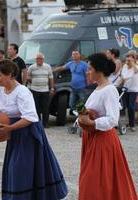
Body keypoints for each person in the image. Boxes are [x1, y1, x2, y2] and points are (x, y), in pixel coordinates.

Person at [0, 59, 68, 200]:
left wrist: (10, 127)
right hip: (14, 134)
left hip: (28, 133)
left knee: (20, 168)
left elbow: (31, 117)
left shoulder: (22, 92)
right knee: (13, 167)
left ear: (9, 74)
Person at [78, 52, 138, 200]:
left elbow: (112, 119)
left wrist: (92, 123)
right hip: (92, 139)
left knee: (97, 181)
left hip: (102, 140)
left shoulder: (109, 90)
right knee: (92, 180)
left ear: (98, 70)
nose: (87, 72)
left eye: (90, 68)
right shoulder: (97, 89)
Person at [54, 50, 88, 115]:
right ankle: (76, 114)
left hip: (82, 88)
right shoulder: (70, 63)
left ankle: (82, 117)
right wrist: (52, 70)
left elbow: (88, 74)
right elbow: (62, 68)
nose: (75, 55)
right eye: (73, 54)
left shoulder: (84, 64)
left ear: (79, 55)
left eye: (76, 54)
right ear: (72, 56)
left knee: (82, 103)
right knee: (71, 104)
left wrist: (88, 85)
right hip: (73, 88)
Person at [27, 52, 54, 128]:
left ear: (43, 59)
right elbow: (28, 77)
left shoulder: (48, 67)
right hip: (34, 90)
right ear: (35, 59)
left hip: (45, 90)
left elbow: (51, 78)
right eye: (37, 58)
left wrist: (52, 88)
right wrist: (32, 82)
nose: (39, 60)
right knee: (36, 107)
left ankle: (45, 123)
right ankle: (38, 123)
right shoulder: (32, 67)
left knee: (46, 108)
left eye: (40, 58)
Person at [119, 53, 138, 132]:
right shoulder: (124, 67)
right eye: (127, 58)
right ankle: (129, 122)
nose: (128, 60)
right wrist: (121, 81)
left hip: (133, 89)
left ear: (134, 59)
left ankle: (132, 125)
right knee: (125, 106)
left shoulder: (135, 66)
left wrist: (133, 62)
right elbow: (123, 76)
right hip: (125, 89)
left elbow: (136, 70)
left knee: (131, 106)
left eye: (130, 58)